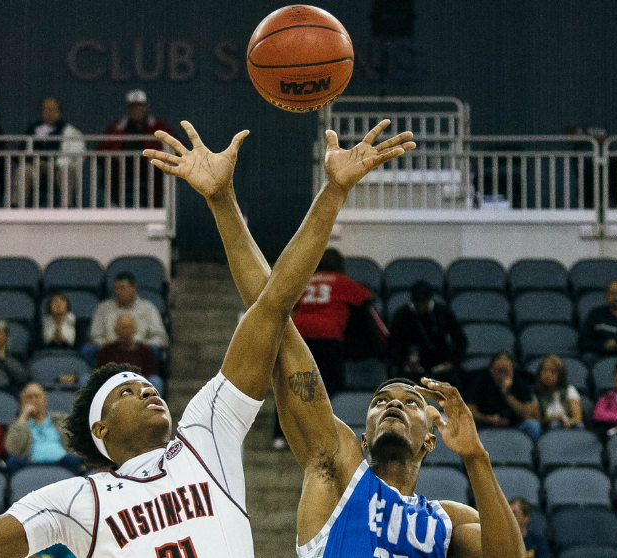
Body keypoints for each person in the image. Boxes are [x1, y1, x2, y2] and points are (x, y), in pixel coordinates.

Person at [0, 117, 399, 558]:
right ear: (99, 429)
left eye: (144, 383)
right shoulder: (77, 498)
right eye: (125, 389)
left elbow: (273, 307)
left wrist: (315, 194)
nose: (147, 389)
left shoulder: (205, 435)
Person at [150, 119, 515, 558]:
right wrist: (226, 201)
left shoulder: (448, 520)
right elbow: (274, 318)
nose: (393, 403)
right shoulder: (337, 466)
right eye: (380, 400)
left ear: (430, 440)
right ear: (362, 437)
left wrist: (476, 457)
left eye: (411, 401)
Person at [291, 248, 374, 397]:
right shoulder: (342, 281)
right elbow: (368, 297)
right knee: (331, 385)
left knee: (298, 384)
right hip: (328, 335)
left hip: (299, 334)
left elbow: (292, 304)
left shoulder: (306, 280)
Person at [99, 90, 176, 208]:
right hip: (121, 177)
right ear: (128, 108)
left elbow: (178, 148)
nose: (136, 110)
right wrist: (113, 155)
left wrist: (159, 155)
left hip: (151, 177)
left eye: (139, 106)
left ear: (146, 107)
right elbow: (100, 150)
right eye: (133, 107)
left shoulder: (159, 126)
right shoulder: (117, 128)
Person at [388, 280, 468, 384]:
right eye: (418, 303)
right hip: (411, 362)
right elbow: (393, 345)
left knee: (454, 383)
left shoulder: (443, 312)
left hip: (441, 361)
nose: (421, 306)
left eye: (424, 302)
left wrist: (451, 363)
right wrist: (403, 364)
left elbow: (461, 341)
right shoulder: (401, 315)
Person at [14, 97, 83, 208]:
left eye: (53, 109)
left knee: (66, 172)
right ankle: (16, 208)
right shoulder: (33, 129)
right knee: (23, 170)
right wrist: (36, 162)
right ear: (41, 112)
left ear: (58, 111)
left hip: (58, 169)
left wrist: (55, 164)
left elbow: (74, 155)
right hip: (36, 168)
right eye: (46, 109)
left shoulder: (68, 130)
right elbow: (22, 151)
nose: (49, 112)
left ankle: (66, 208)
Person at [4, 383, 84, 475]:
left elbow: (77, 444)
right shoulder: (17, 424)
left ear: (45, 399)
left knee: (73, 460)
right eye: (28, 397)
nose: (33, 400)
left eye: (37, 396)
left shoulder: (62, 419)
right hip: (30, 464)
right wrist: (23, 416)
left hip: (61, 462)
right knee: (13, 462)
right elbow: (12, 450)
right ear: (22, 401)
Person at [467, 352, 543, 441]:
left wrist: (507, 395)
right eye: (499, 371)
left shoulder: (521, 383)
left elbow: (529, 414)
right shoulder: (480, 382)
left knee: (533, 425)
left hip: (515, 424)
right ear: (491, 371)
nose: (503, 376)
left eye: (506, 372)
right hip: (486, 424)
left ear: (512, 371)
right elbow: (470, 411)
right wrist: (487, 419)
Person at [88, 272, 169, 350]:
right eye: (116, 288)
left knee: (154, 350)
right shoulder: (103, 308)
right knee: (88, 350)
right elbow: (95, 335)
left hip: (139, 351)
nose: (118, 292)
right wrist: (106, 344)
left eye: (122, 288)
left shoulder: (148, 308)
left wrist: (143, 345)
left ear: (134, 288)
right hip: (109, 350)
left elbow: (161, 337)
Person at [96, 314, 162, 395]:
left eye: (128, 327)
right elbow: (100, 375)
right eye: (122, 328)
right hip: (113, 388)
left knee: (156, 381)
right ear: (115, 330)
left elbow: (151, 373)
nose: (125, 331)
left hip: (140, 387)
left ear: (135, 329)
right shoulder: (106, 351)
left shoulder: (145, 351)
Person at [532, 355, 583, 430]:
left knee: (579, 426)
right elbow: (538, 420)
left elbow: (577, 418)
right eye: (544, 371)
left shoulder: (569, 389)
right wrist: (553, 419)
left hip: (569, 424)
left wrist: (566, 421)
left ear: (560, 375)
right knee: (554, 424)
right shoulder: (536, 393)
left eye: (553, 372)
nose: (548, 375)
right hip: (548, 427)